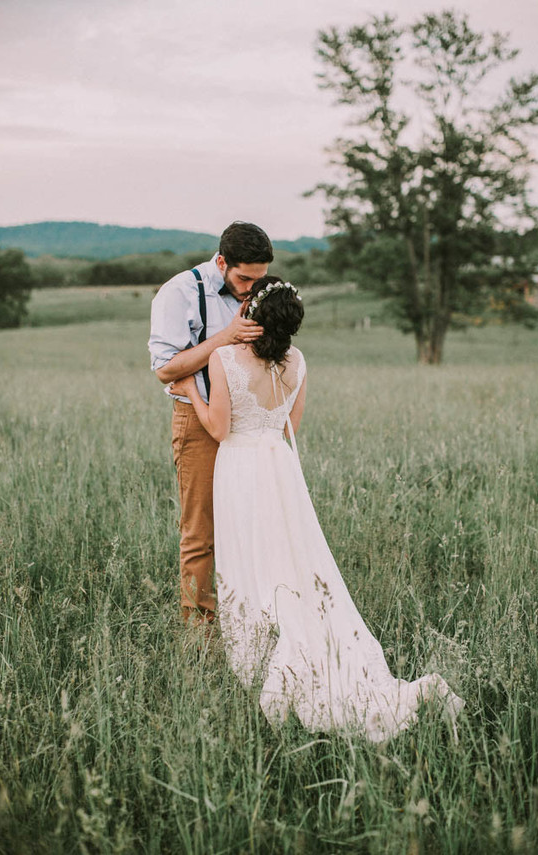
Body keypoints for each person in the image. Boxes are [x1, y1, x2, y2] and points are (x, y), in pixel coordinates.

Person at [171, 276, 464, 743]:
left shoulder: (225, 358)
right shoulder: (299, 362)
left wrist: (191, 391)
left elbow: (220, 429)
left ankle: (265, 649)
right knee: (291, 557)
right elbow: (291, 427)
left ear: (252, 314)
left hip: (242, 469)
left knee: (251, 558)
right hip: (280, 469)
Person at [148, 222, 274, 626]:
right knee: (201, 534)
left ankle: (250, 625)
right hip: (197, 421)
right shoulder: (178, 293)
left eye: (260, 278)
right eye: (244, 278)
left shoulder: (256, 288)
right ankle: (200, 641)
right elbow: (166, 370)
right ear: (221, 261)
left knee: (250, 526)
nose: (252, 287)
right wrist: (226, 336)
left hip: (249, 425)